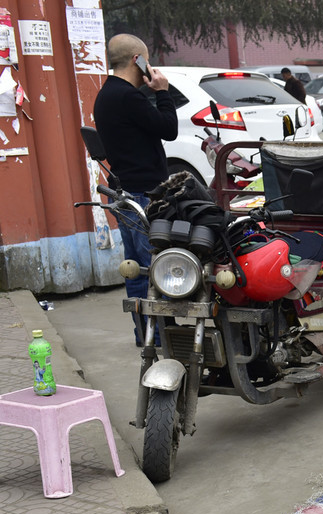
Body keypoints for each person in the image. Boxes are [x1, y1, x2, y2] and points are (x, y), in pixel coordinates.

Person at [93, 34, 178, 345]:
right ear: (136, 60)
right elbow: (169, 129)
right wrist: (163, 92)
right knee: (154, 268)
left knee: (136, 269)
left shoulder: (105, 95)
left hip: (126, 193)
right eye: (146, 59)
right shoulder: (129, 97)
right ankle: (158, 337)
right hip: (143, 195)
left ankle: (146, 333)